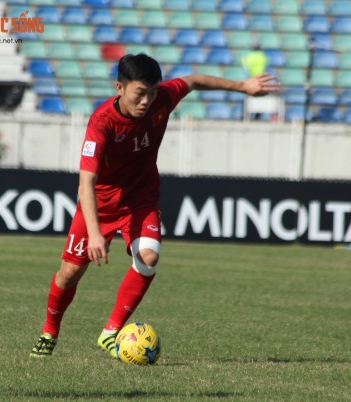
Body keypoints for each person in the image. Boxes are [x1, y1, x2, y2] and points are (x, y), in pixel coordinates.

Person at [30, 53, 279, 359]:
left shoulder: (162, 98)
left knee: (148, 257)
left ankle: (111, 332)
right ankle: (49, 331)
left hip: (141, 196)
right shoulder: (101, 122)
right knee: (69, 273)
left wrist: (243, 86)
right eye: (139, 93)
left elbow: (195, 80)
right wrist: (95, 234)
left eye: (151, 92)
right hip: (102, 202)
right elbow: (86, 183)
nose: (146, 100)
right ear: (120, 88)